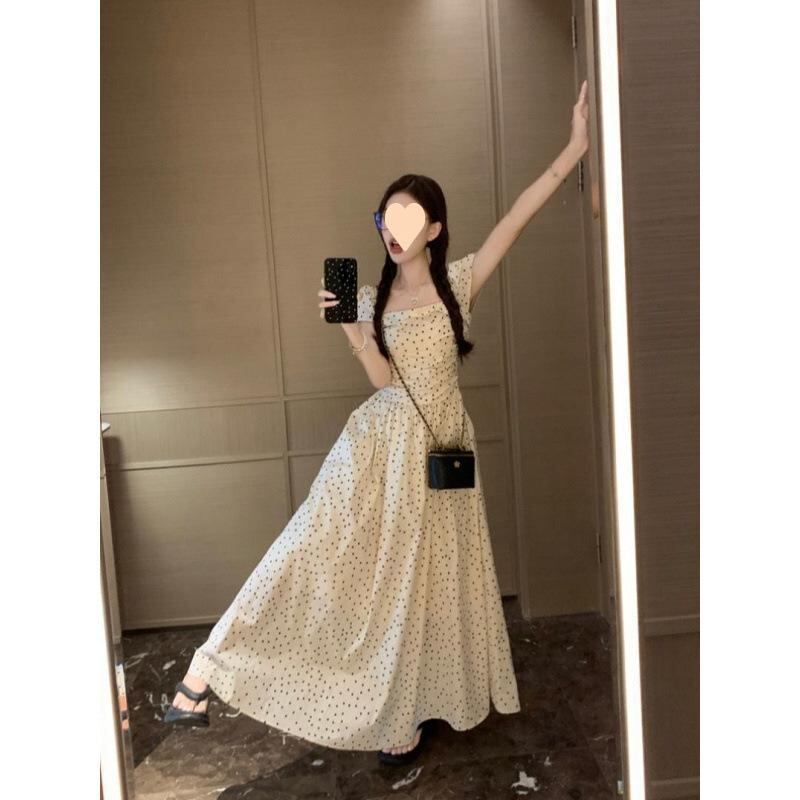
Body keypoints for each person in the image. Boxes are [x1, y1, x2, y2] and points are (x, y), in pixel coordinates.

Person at [164, 82, 590, 767]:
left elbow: (516, 218)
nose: (394, 231)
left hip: (444, 451)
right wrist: (351, 329)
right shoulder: (368, 296)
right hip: (379, 451)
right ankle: (208, 667)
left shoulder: (458, 282)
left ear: (434, 229)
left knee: (434, 580)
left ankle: (414, 707)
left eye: (408, 218)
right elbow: (383, 382)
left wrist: (574, 147)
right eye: (386, 218)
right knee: (315, 554)